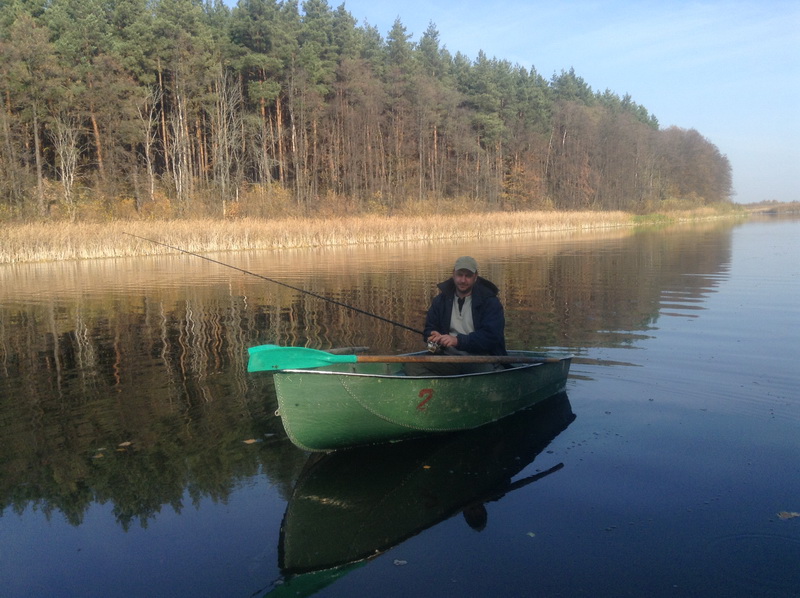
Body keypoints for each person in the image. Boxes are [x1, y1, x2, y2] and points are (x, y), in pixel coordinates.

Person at [408, 256, 506, 375]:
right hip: (448, 357)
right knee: (412, 367)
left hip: (481, 359)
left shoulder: (490, 302)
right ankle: (440, 390)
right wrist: (432, 336)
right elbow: (429, 329)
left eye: (468, 276)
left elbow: (491, 337)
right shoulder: (440, 301)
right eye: (460, 275)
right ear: (453, 274)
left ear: (475, 277)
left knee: (485, 374)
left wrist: (457, 341)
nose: (463, 280)